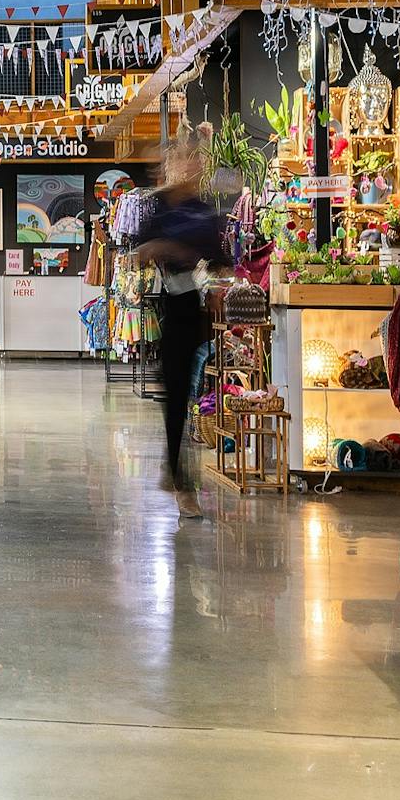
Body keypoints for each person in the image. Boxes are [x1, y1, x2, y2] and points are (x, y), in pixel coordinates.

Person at [134, 137, 227, 517]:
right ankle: (180, 481)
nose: (189, 166)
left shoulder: (205, 211)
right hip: (166, 309)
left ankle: (171, 468)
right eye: (182, 159)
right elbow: (140, 253)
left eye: (195, 160)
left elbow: (221, 261)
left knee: (184, 396)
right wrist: (165, 252)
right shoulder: (157, 207)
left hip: (194, 307)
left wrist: (219, 285)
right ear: (172, 164)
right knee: (174, 397)